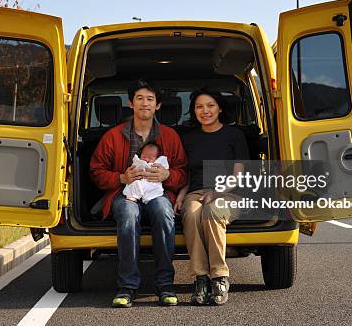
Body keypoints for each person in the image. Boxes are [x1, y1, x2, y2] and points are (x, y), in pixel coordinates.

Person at [90, 79, 187, 308]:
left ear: (158, 106)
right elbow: (96, 172)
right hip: (124, 194)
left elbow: (183, 172)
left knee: (164, 212)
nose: (145, 103)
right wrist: (121, 178)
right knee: (128, 213)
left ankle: (165, 285)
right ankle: (127, 287)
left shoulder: (170, 136)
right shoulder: (113, 136)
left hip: (159, 194)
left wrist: (167, 176)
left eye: (150, 99)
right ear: (130, 103)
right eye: (140, 99)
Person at [173, 88, 249, 306]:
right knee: (191, 213)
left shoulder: (235, 135)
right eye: (199, 107)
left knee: (212, 212)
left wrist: (217, 192)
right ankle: (201, 278)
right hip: (196, 192)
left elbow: (238, 175)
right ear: (194, 111)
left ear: (219, 108)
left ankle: (219, 276)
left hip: (229, 193)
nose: (205, 111)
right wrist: (181, 195)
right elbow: (188, 174)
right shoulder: (189, 139)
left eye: (210, 105)